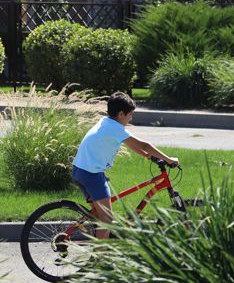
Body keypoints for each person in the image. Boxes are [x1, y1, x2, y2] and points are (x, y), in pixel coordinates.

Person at [71, 92, 179, 237]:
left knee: (99, 215)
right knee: (107, 218)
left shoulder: (106, 122)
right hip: (92, 175)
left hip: (80, 170)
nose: (131, 118)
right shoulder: (115, 128)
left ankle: (96, 245)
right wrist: (169, 159)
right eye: (130, 115)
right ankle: (100, 257)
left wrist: (146, 156)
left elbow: (131, 144)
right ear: (121, 114)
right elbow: (144, 145)